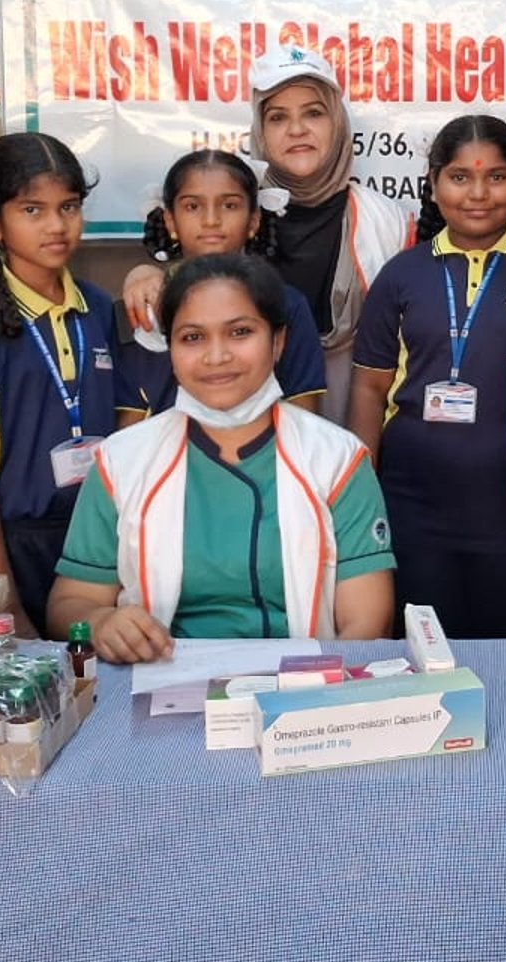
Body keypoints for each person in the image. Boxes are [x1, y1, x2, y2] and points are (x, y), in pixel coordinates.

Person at [46, 253, 396, 658]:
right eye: (193, 337)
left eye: (240, 332)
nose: (216, 357)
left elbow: (369, 622)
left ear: (278, 342)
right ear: (170, 348)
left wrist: (308, 698)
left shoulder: (338, 460)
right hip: (160, 689)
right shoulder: (121, 461)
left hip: (301, 690)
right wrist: (102, 622)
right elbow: (69, 604)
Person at [124, 46, 413, 422]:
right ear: (260, 129)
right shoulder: (234, 205)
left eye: (313, 113)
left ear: (338, 122)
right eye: (278, 118)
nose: (297, 130)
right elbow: (196, 277)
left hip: (357, 423)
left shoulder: (388, 221)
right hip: (245, 431)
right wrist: (143, 273)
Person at [347, 115, 506, 640]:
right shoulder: (403, 274)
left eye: (496, 177)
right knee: (421, 657)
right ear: (432, 185)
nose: (478, 193)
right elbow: (369, 389)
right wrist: (361, 500)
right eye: (459, 177)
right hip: (414, 510)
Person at [0, 133, 118, 638]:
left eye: (69, 206)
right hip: (15, 546)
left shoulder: (100, 309)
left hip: (98, 546)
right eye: (33, 210)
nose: (57, 226)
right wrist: (5, 603)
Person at [116, 149, 326, 421]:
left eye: (229, 205)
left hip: (265, 458)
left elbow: (304, 420)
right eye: (193, 206)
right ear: (170, 221)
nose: (211, 220)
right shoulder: (144, 305)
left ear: (254, 220)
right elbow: (130, 426)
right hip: (166, 460)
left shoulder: (288, 304)